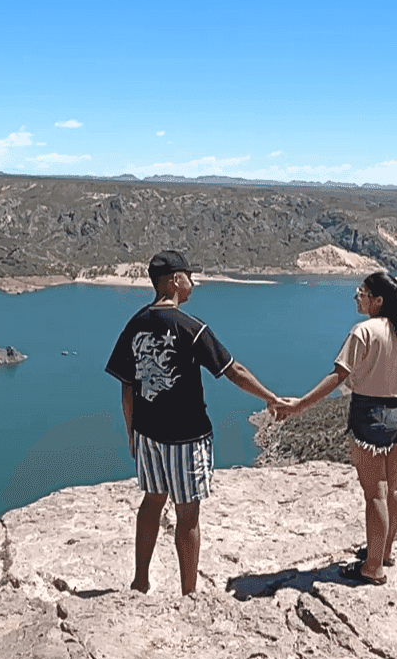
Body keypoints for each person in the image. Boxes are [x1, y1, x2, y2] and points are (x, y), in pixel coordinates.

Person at [106, 251, 281, 595]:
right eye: (189, 276)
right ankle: (189, 593)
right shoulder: (191, 327)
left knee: (152, 500)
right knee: (188, 515)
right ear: (174, 280)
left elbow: (127, 386)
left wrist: (131, 432)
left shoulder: (135, 324)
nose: (194, 283)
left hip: (147, 435)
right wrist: (271, 398)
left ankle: (140, 579)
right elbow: (233, 370)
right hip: (187, 437)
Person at [272, 272, 397, 584]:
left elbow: (338, 376)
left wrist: (299, 405)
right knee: (395, 486)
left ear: (378, 301)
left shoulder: (363, 332)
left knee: (374, 493)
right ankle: (384, 552)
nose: (356, 296)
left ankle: (372, 568)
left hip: (369, 413)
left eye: (362, 292)